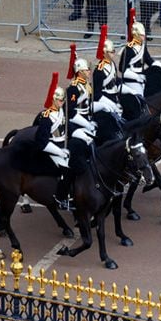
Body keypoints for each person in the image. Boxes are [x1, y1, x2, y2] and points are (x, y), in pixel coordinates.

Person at [56, 56, 97, 210]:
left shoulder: (87, 85)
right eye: (87, 69)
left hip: (87, 122)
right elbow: (72, 112)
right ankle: (62, 195)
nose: (89, 71)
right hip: (75, 126)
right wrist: (87, 124)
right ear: (79, 72)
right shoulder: (73, 88)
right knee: (79, 152)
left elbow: (89, 106)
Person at [119, 21, 157, 120]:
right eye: (141, 35)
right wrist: (136, 77)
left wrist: (159, 68)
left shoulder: (143, 47)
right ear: (136, 35)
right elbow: (122, 69)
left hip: (142, 76)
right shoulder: (128, 49)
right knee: (139, 99)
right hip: (131, 79)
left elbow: (149, 61)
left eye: (144, 35)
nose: (143, 37)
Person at [92, 25, 124, 143]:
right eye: (111, 52)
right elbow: (97, 94)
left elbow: (115, 80)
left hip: (113, 95)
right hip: (103, 98)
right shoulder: (99, 71)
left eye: (114, 51)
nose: (113, 54)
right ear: (105, 53)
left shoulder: (112, 64)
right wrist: (110, 104)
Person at [37, 72, 70, 170]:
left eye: (63, 100)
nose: (62, 102)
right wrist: (59, 152)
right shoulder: (47, 117)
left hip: (63, 143)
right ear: (53, 100)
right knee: (65, 173)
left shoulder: (61, 111)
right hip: (52, 148)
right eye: (60, 100)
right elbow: (42, 141)